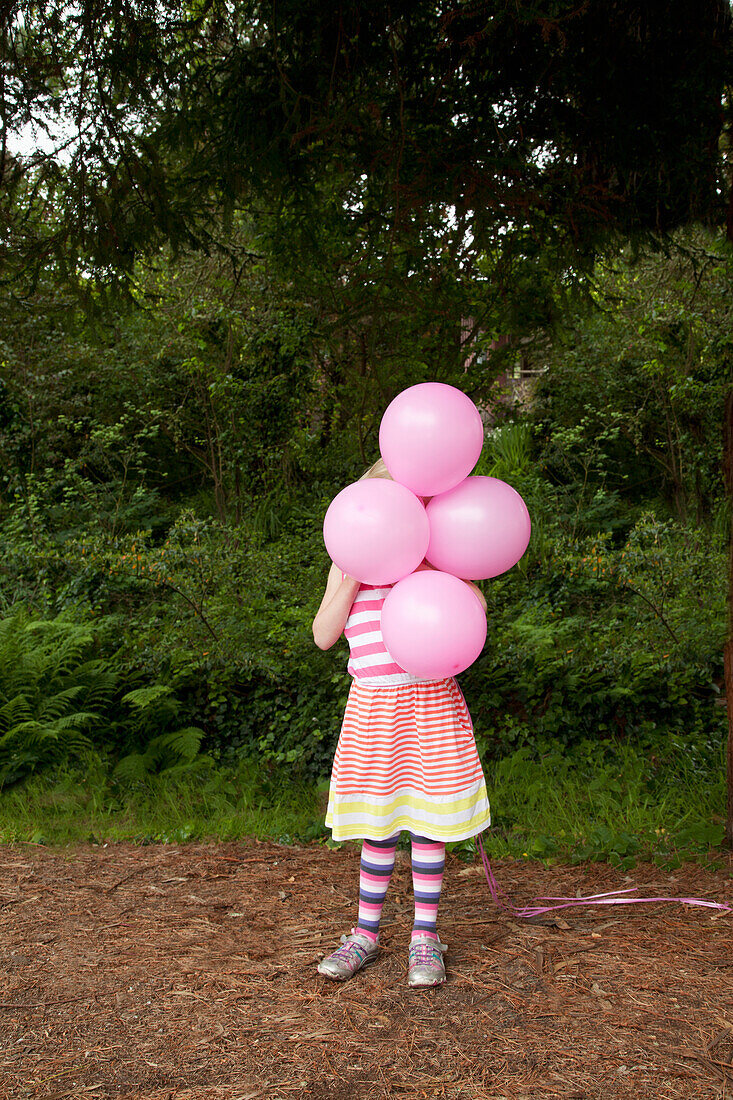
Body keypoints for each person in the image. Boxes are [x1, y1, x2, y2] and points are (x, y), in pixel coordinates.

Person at [312, 458, 491, 989]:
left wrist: (436, 569)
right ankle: (366, 933)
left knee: (430, 821)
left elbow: (476, 613)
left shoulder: (435, 562)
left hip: (431, 704)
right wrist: (349, 574)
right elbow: (324, 635)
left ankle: (424, 936)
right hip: (373, 708)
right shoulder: (348, 568)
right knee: (378, 822)